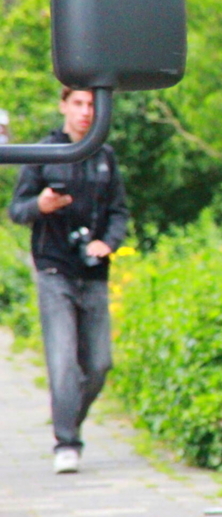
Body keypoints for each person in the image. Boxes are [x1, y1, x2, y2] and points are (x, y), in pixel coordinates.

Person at [8, 86, 129, 474]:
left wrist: (107, 242)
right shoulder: (42, 153)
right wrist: (41, 205)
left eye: (92, 103)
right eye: (78, 103)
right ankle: (66, 442)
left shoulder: (104, 156)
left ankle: (68, 421)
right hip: (53, 270)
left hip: (93, 272)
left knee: (98, 364)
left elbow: (119, 213)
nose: (85, 111)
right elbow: (16, 210)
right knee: (62, 362)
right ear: (63, 105)